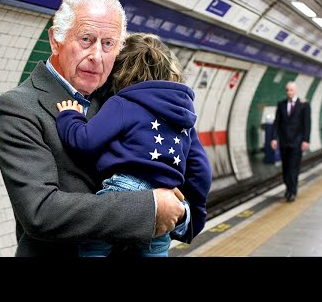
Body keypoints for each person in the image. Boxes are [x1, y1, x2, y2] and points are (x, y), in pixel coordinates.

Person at [0, 0, 187, 257]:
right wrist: (150, 208)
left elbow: (162, 173)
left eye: (108, 44)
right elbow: (41, 212)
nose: (97, 56)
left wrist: (181, 213)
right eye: (86, 39)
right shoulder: (19, 107)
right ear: (56, 40)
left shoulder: (120, 96)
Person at [56, 32, 212, 257]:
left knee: (94, 246)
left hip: (125, 189)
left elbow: (85, 141)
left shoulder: (122, 103)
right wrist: (192, 217)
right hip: (167, 194)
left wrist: (70, 116)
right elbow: (201, 171)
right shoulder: (183, 116)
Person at [270, 81, 311, 202]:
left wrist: (306, 140)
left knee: (294, 167)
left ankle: (292, 191)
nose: (289, 92)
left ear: (295, 90)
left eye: (291, 90)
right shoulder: (281, 104)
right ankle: (288, 187)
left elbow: (307, 124)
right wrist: (274, 138)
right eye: (287, 90)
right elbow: (276, 123)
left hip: (297, 142)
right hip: (284, 141)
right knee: (285, 167)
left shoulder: (304, 105)